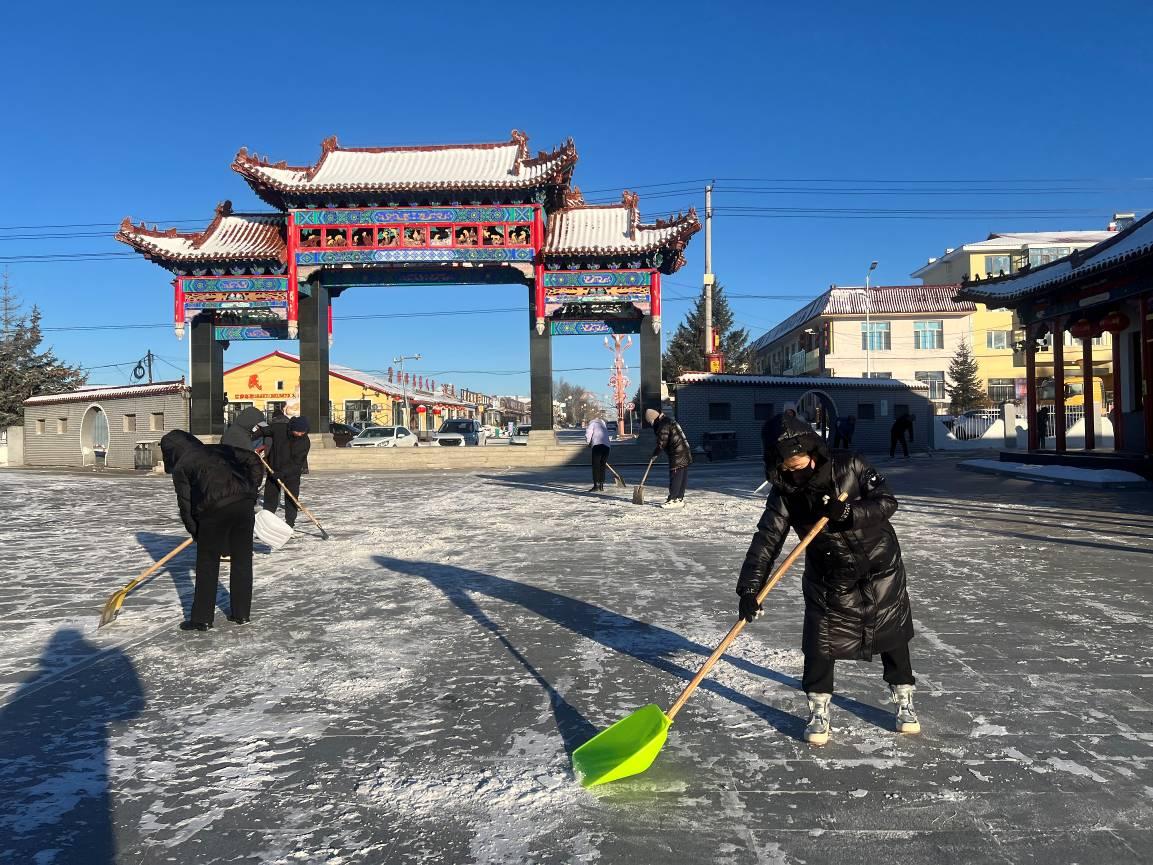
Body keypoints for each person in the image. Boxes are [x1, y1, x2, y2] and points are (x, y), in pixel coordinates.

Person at [737, 414, 918, 745]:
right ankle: (818, 709)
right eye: (787, 465)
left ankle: (904, 700)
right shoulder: (785, 492)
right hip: (828, 576)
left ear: (812, 450)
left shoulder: (850, 465)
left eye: (799, 460)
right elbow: (767, 539)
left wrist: (850, 514)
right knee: (819, 643)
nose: (795, 469)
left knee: (892, 635)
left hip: (879, 568)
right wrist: (750, 589)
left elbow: (886, 502)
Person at [160, 430, 264, 631]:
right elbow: (253, 459)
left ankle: (202, 619)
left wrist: (197, 533)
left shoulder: (182, 466)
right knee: (242, 560)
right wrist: (250, 487)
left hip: (213, 510)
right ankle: (241, 613)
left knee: (207, 564)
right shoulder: (220, 448)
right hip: (244, 504)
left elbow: (186, 504)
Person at [264, 416, 312, 527]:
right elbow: (264, 431)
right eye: (298, 431)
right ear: (292, 428)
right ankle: (266, 521)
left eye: (303, 432)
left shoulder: (305, 441)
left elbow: (297, 463)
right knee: (270, 498)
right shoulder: (280, 429)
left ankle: (290, 524)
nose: (300, 434)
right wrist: (251, 439)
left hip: (292, 475)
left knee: (291, 499)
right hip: (274, 470)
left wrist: (283, 472)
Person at [645, 408, 692, 509]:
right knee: (681, 475)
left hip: (677, 453)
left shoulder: (663, 424)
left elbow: (662, 441)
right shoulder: (668, 420)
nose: (652, 425)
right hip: (684, 450)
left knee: (675, 475)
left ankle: (673, 499)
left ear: (653, 419)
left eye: (651, 422)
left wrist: (655, 454)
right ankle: (679, 498)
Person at [585, 416, 610, 492]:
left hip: (597, 445)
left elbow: (588, 433)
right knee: (602, 466)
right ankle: (601, 486)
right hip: (607, 446)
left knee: (596, 466)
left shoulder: (592, 423)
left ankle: (596, 486)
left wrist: (588, 442)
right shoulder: (603, 424)